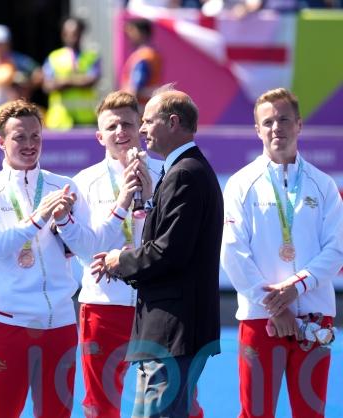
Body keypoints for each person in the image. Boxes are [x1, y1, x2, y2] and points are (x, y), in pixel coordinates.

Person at [90, 85, 223, 417]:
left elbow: (169, 252)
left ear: (173, 122)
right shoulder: (184, 170)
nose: (142, 129)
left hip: (172, 331)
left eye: (148, 121)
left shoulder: (185, 174)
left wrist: (119, 260)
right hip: (171, 330)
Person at [221, 87, 343, 418]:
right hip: (261, 318)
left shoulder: (323, 185)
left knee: (310, 413)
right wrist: (274, 305)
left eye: (284, 119)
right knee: (256, 413)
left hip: (314, 315)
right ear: (257, 130)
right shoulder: (240, 184)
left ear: (299, 125)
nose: (277, 127)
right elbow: (232, 252)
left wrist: (296, 287)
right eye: (268, 122)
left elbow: (337, 248)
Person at [0, 99, 94, 417]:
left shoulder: (64, 187)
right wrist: (37, 220)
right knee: (0, 413)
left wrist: (65, 222)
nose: (29, 144)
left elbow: (88, 250)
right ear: (1, 141)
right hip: (11, 322)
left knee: (56, 414)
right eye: (19, 137)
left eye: (35, 136)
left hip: (60, 322)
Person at [73, 90, 161, 417]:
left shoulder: (166, 173)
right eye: (111, 127)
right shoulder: (84, 182)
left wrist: (149, 199)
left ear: (141, 127)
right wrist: (123, 201)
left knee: (173, 400)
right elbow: (86, 250)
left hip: (157, 304)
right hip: (103, 304)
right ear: (100, 137)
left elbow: (173, 240)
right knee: (101, 405)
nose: (120, 132)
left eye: (127, 124)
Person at [0, 24, 43, 118]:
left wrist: (25, 84)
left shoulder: (19, 59)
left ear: (7, 44)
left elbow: (39, 74)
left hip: (12, 114)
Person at [43, 16, 101, 130]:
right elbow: (48, 86)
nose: (72, 37)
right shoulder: (54, 57)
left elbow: (90, 81)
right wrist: (78, 80)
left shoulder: (92, 57)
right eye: (68, 33)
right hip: (60, 121)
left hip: (86, 120)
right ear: (63, 34)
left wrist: (63, 81)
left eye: (76, 33)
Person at [120, 18, 162, 109]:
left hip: (138, 108)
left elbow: (135, 88)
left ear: (142, 33)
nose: (128, 35)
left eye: (132, 30)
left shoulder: (143, 56)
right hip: (148, 106)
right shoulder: (152, 54)